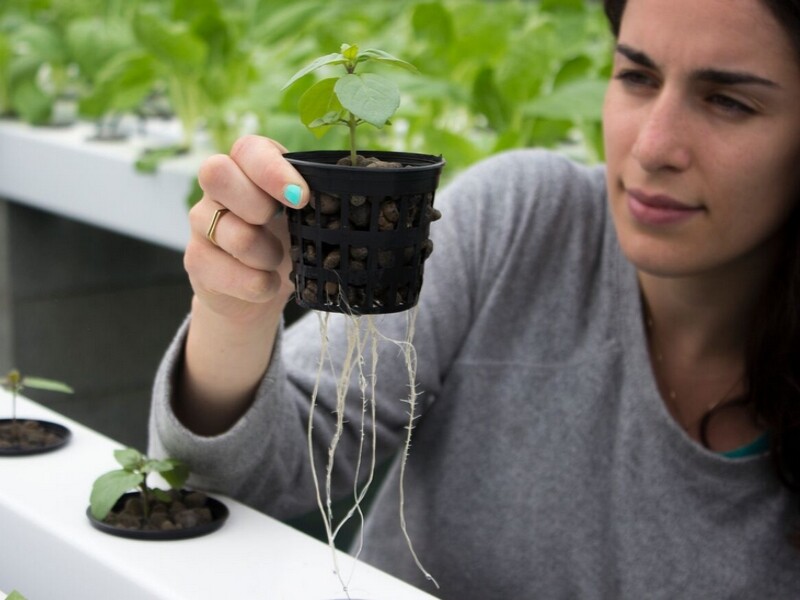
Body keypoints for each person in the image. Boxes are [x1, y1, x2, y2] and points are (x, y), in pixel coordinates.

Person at [148, 0, 800, 596]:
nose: (654, 147)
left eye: (729, 103)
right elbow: (239, 482)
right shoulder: (519, 224)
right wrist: (235, 311)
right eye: (637, 77)